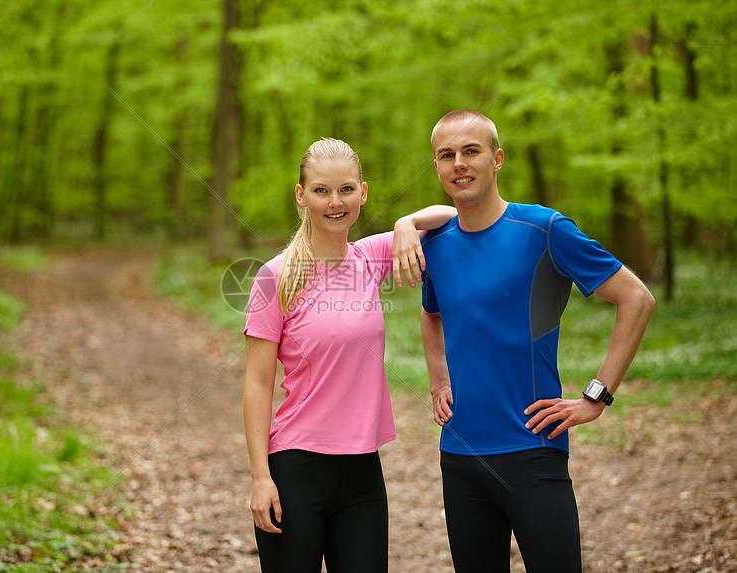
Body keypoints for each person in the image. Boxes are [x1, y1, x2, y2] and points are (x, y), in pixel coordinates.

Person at [417, 110, 656, 572]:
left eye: (471, 151)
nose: (459, 164)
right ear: (437, 168)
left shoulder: (545, 229)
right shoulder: (436, 243)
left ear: (497, 158)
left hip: (533, 450)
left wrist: (597, 396)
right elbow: (432, 315)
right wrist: (437, 377)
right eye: (447, 155)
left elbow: (636, 299)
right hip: (461, 457)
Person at [242, 137, 456, 573]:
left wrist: (402, 224)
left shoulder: (371, 257)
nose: (334, 202)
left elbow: (450, 215)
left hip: (362, 474)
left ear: (363, 192)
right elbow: (257, 382)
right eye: (321, 190)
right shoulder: (275, 276)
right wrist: (261, 478)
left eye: (346, 189)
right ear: (301, 196)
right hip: (295, 468)